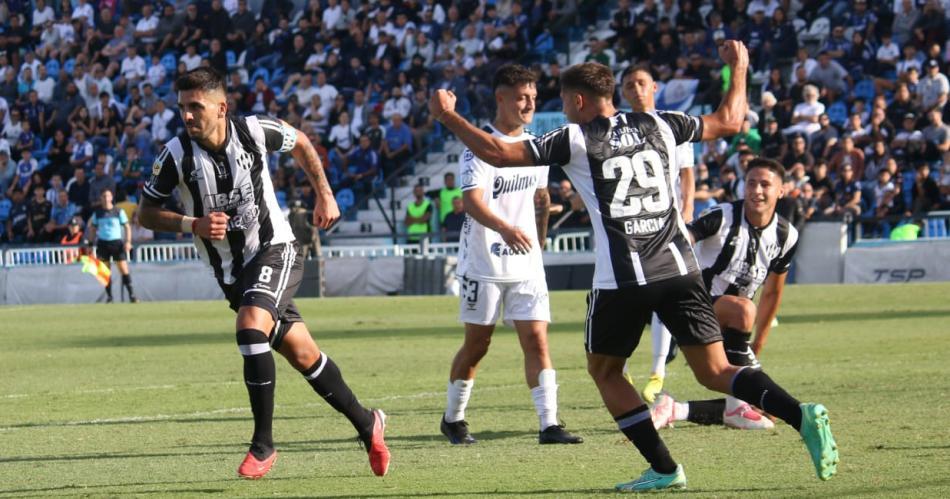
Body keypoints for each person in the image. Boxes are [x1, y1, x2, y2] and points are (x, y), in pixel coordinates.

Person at [429, 43, 837, 491]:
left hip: (623, 279)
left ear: (580, 101)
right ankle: (800, 414)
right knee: (716, 371)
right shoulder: (661, 122)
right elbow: (731, 121)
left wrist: (449, 116)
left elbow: (500, 154)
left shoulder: (577, 138)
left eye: (564, 102)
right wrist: (739, 68)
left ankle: (664, 469)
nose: (561, 110)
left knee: (605, 372)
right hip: (681, 269)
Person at [138, 68, 389, 480]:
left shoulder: (255, 132)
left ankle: (263, 444)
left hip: (277, 249)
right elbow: (147, 212)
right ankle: (368, 424)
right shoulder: (174, 156)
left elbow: (303, 142)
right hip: (233, 275)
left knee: (251, 328)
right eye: (182, 108)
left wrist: (324, 194)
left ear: (222, 107)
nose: (186, 116)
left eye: (195, 107)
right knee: (304, 355)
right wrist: (192, 224)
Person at [440, 64, 582, 447]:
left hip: (526, 263)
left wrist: (541, 233)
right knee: (477, 345)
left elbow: (539, 197)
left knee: (537, 340)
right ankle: (453, 418)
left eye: (533, 98)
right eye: (521, 97)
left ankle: (549, 424)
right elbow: (471, 202)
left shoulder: (533, 147)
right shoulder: (479, 148)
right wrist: (505, 227)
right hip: (483, 264)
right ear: (501, 98)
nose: (529, 104)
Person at [651, 158, 800, 431]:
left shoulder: (786, 235)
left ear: (781, 190)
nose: (756, 190)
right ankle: (733, 401)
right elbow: (683, 241)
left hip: (731, 329)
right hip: (691, 310)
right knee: (743, 309)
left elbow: (772, 293)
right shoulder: (722, 216)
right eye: (751, 183)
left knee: (767, 412)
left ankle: (678, 409)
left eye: (765, 184)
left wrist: (757, 345)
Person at [618, 66, 697, 403]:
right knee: (625, 299)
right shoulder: (616, 130)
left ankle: (656, 373)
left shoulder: (672, 124)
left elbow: (687, 175)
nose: (636, 90)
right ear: (622, 92)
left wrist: (687, 216)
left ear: (655, 87)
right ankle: (619, 364)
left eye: (641, 83)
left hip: (667, 228)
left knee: (661, 302)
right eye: (629, 85)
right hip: (628, 227)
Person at [87, 189, 138, 303]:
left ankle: (132, 295)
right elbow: (93, 229)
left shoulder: (118, 211)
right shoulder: (98, 213)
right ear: (101, 198)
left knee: (124, 269)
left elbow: (127, 227)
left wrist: (128, 241)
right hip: (102, 243)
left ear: (111, 197)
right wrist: (90, 244)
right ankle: (110, 297)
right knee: (105, 271)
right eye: (103, 196)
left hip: (116, 243)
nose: (106, 198)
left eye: (108, 196)